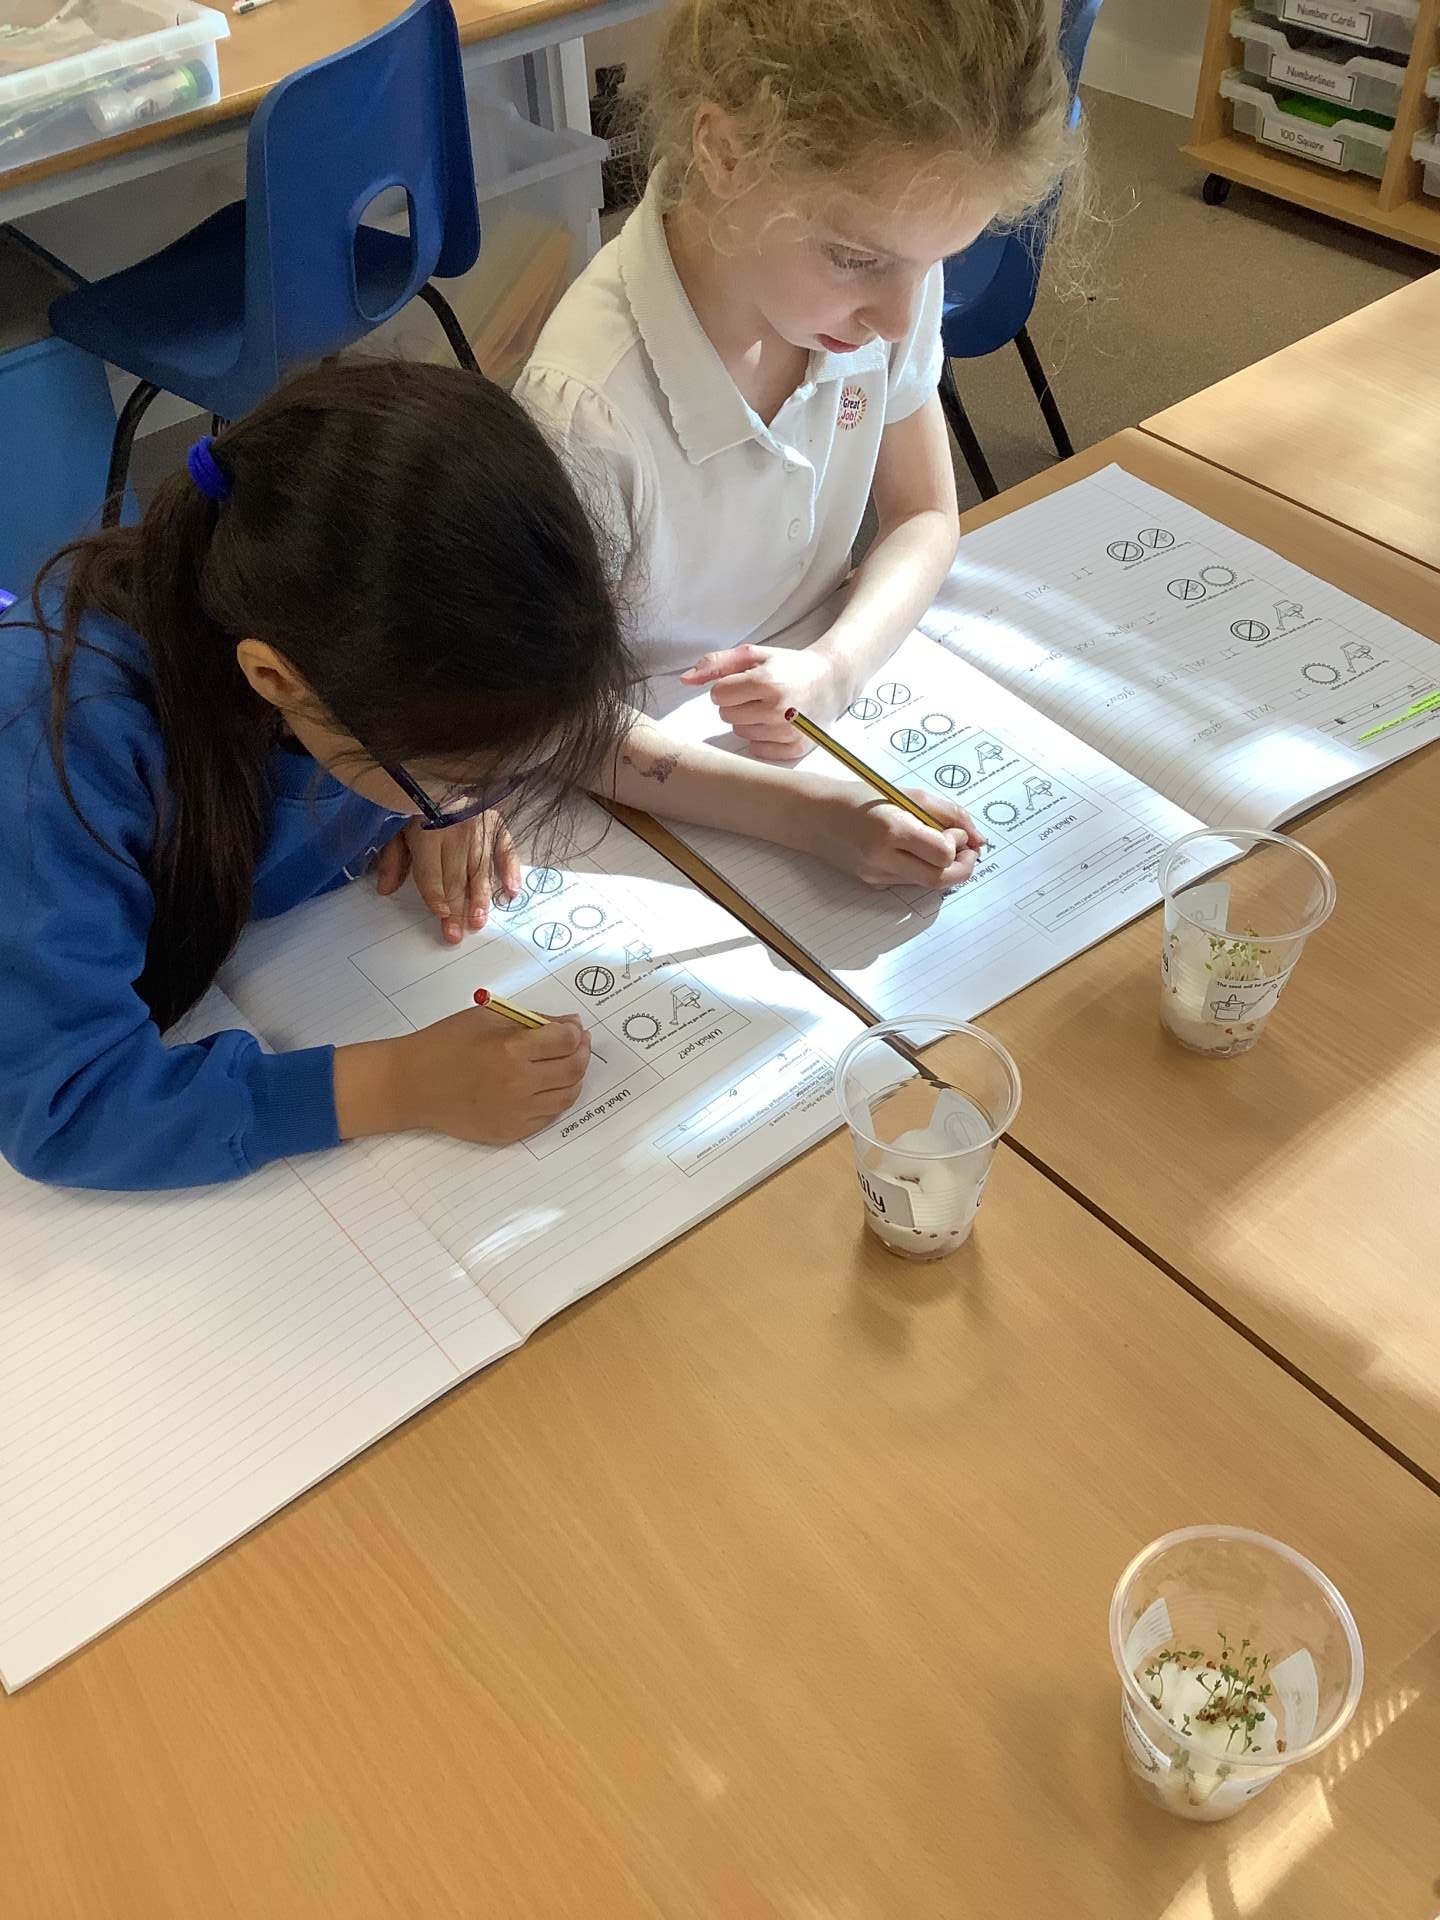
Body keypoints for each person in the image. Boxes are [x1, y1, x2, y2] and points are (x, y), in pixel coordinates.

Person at [0, 360, 979, 1193]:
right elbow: (67, 1102)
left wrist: (813, 810)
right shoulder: (56, 749)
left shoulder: (359, 655)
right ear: (278, 682)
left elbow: (569, 731)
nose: (495, 794)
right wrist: (398, 1084)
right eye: (465, 776)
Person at [512, 0, 1076, 756]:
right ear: (726, 153)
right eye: (855, 259)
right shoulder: (586, 414)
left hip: (815, 709)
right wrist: (802, 808)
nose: (901, 320)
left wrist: (837, 668)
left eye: (938, 260)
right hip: (651, 767)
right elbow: (554, 721)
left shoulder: (885, 274)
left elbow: (923, 513)